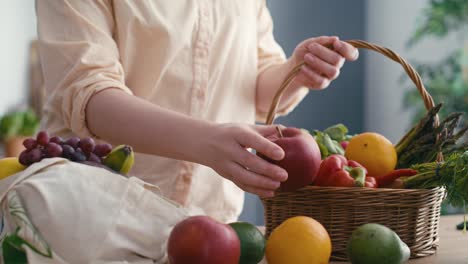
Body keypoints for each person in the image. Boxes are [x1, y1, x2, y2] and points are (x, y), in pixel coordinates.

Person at [36, 0, 358, 223]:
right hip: (93, 217)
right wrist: (207, 142)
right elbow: (90, 98)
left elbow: (253, 83)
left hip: (212, 222)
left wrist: (296, 72)